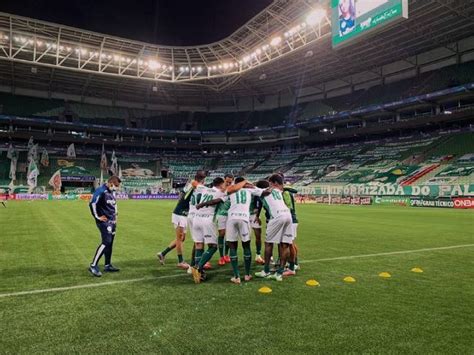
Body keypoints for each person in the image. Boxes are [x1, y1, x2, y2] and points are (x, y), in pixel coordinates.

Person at [191, 178, 248, 284]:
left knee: (199, 245)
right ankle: (198, 267)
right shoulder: (221, 192)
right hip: (207, 220)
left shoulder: (204, 189)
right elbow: (216, 200)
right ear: (221, 185)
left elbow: (194, 182)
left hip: (196, 219)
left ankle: (199, 272)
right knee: (213, 246)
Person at [156, 171, 206, 269]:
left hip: (183, 214)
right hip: (180, 214)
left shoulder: (191, 184)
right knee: (180, 238)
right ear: (203, 180)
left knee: (182, 238)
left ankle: (163, 253)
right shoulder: (194, 185)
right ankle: (180, 261)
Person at [224, 177, 267, 284]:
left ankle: (236, 276)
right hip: (244, 218)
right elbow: (265, 192)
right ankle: (247, 275)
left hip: (232, 219)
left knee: (232, 246)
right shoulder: (249, 189)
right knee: (246, 245)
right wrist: (251, 185)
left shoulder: (231, 188)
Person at [255, 174, 294, 282]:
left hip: (276, 217)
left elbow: (251, 188)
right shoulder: (277, 191)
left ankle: (266, 271)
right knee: (284, 244)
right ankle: (279, 273)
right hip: (288, 215)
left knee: (268, 244)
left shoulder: (262, 192)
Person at [88, 176, 121, 277]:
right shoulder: (100, 191)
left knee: (110, 243)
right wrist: (97, 217)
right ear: (110, 183)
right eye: (116, 186)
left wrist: (116, 215)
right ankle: (93, 265)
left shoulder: (111, 192)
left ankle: (107, 265)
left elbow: (114, 204)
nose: (117, 188)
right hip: (104, 222)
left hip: (112, 221)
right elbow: (92, 203)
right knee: (106, 242)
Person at [216, 173, 234, 265]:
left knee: (229, 235)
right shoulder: (220, 190)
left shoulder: (234, 189)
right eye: (227, 182)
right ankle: (221, 256)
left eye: (230, 182)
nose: (228, 183)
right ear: (224, 180)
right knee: (221, 234)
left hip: (231, 215)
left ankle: (226, 255)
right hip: (222, 214)